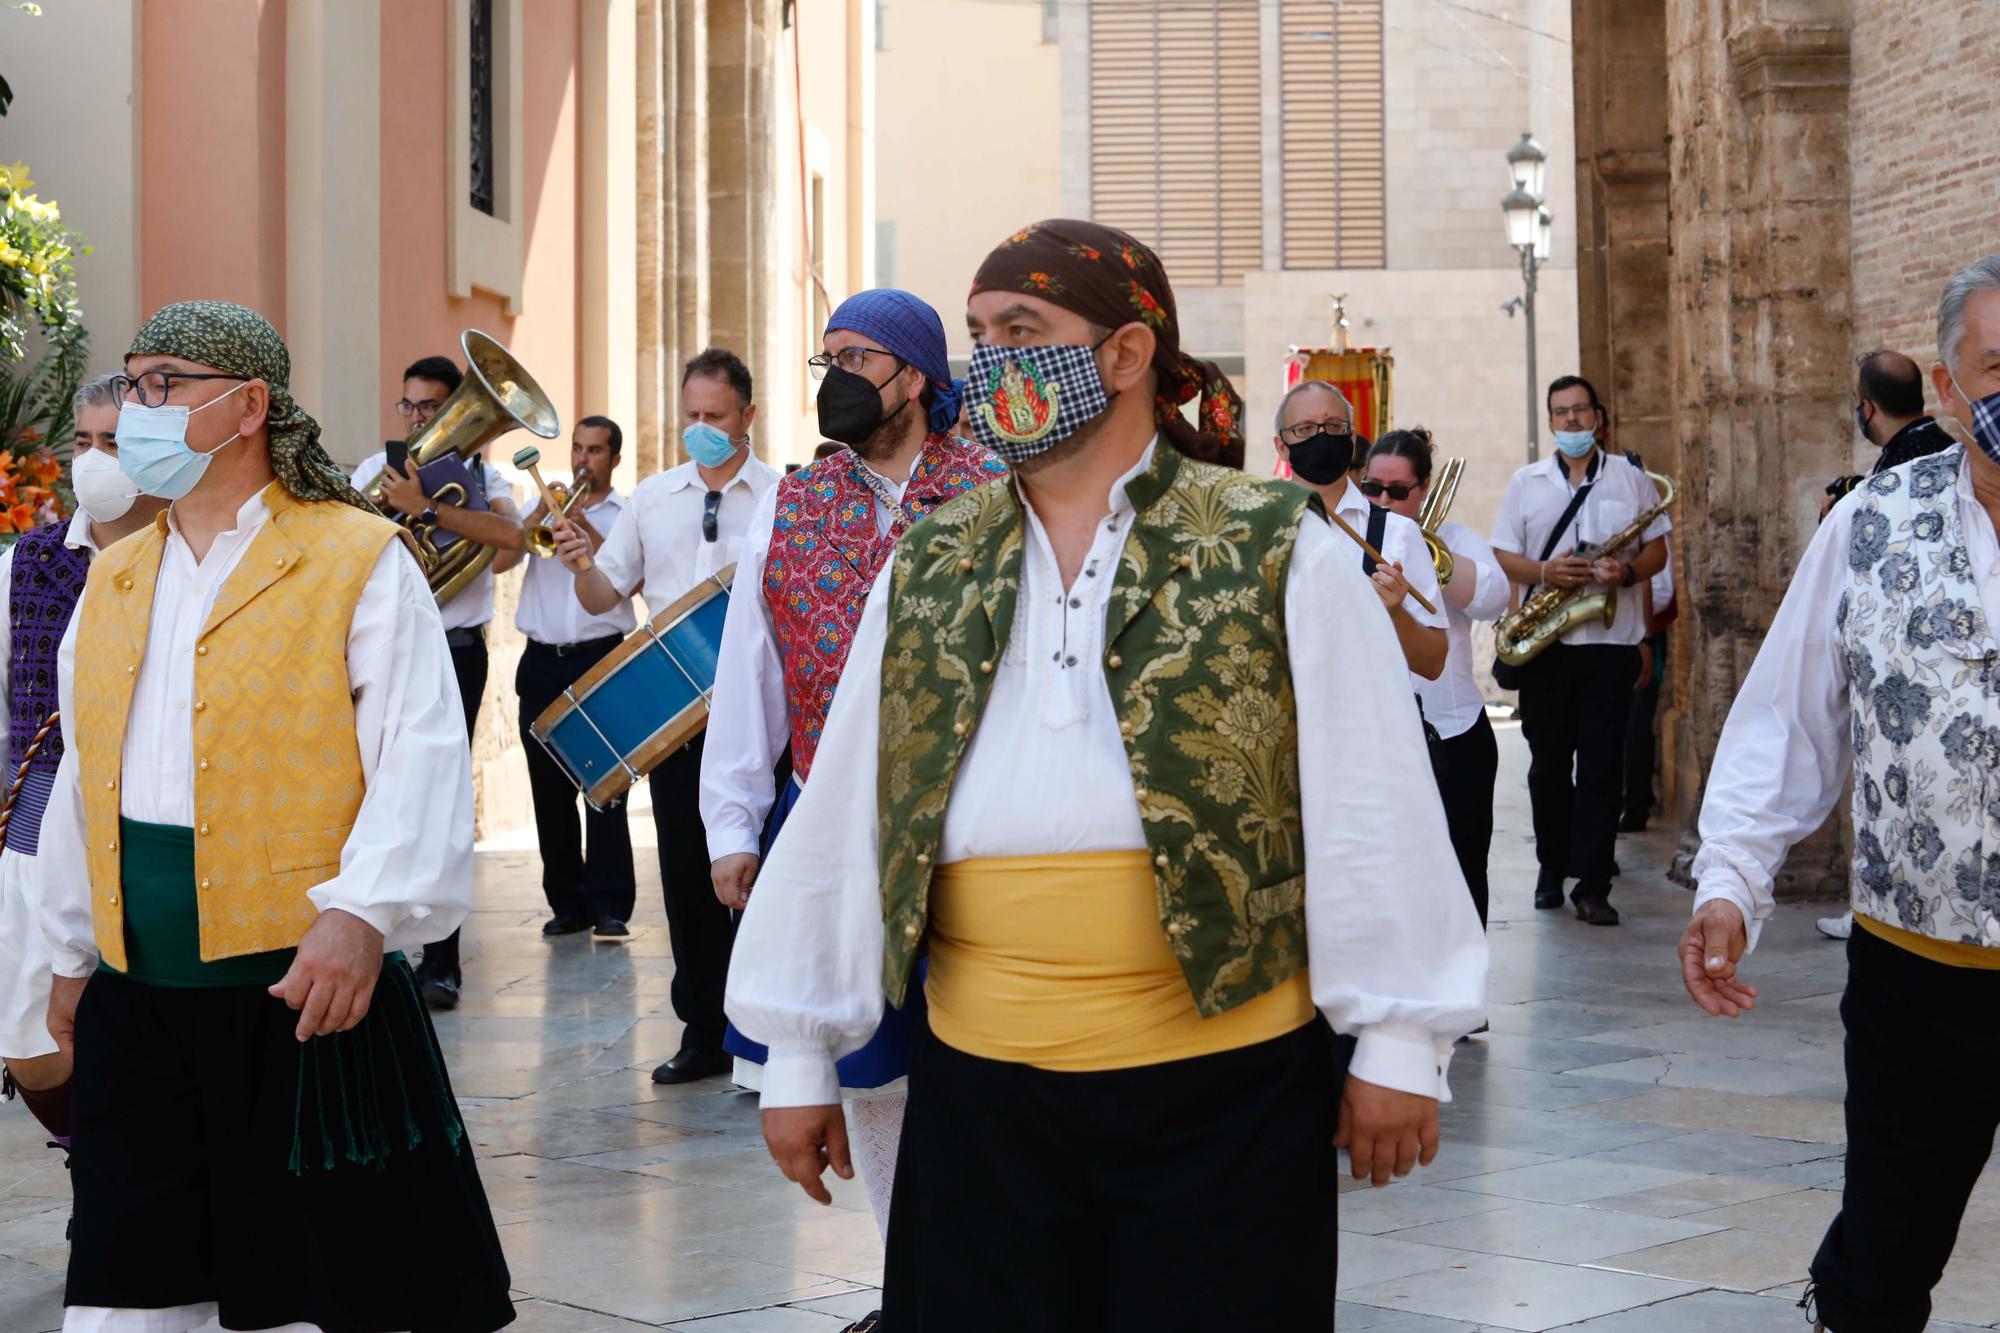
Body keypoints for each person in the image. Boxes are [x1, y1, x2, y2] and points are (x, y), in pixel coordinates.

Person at [727, 219, 1487, 1328]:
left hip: (1224, 1097)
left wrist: (1400, 1038)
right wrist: (795, 1049)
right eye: (978, 337)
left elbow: (1367, 792)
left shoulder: (1275, 544)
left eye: (1021, 331)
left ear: (1126, 355)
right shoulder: (932, 560)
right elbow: (851, 799)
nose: (989, 366)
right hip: (980, 1092)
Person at [37, 301, 512, 1331]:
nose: (140, 406)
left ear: (249, 404)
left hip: (301, 992)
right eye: (132, 381)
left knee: (307, 1292)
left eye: (166, 382)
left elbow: (418, 753)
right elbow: (89, 775)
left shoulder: (355, 558)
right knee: (130, 1287)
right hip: (138, 997)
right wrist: (73, 950)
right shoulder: (114, 576)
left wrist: (362, 913)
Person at [1683, 255, 2000, 1333]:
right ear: (1949, 388)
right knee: (1881, 1253)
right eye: (1997, 368)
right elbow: (1784, 719)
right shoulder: (1867, 523)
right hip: (1923, 972)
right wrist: (1730, 881)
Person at [700, 290, 1006, 1282]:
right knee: (870, 1069)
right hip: (836, 821)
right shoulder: (792, 504)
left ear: (916, 376)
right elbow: (749, 674)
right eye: (825, 355)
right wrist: (733, 825)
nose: (836, 375)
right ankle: (905, 1273)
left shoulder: (1001, 489)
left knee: (984, 1063)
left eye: (859, 355)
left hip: (980, 823)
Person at [554, 347, 780, 1084]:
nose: (702, 428)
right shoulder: (653, 497)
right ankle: (704, 1032)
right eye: (691, 415)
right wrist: (579, 561)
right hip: (677, 724)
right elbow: (603, 598)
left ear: (748, 415)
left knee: (765, 879)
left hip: (764, 717)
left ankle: (771, 1040)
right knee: (687, 877)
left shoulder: (783, 494)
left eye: (715, 416)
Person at [0, 376, 168, 1172]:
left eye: (115, 442)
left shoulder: (183, 559)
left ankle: (128, 1171)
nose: (95, 459)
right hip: (39, 823)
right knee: (30, 1035)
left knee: (132, 1022)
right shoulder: (25, 565)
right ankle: (88, 1153)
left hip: (145, 820)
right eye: (83, 441)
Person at [352, 354, 526, 1010]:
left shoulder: (486, 474)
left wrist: (426, 509)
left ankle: (442, 961)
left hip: (455, 651)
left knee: (443, 794)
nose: (419, 417)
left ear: (457, 409)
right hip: (387, 649)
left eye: (430, 406)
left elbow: (512, 542)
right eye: (410, 406)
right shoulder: (376, 470)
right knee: (375, 788)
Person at [1490, 375, 1670, 926]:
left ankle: (1594, 882)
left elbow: (1658, 550)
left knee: (1600, 767)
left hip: (1610, 643)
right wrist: (1546, 570)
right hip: (1548, 646)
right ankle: (1550, 866)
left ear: (1598, 416)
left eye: (1579, 411)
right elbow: (1503, 554)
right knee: (1548, 766)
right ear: (1550, 423)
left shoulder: (1631, 480)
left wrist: (1626, 570)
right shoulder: (1527, 482)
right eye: (1560, 413)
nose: (1570, 421)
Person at [1364, 429, 1509, 925]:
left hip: (1455, 729)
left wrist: (1429, 561)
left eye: (1397, 491)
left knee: (1464, 871)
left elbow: (1494, 598)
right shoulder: (1356, 537)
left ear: (1423, 488)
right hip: (1386, 735)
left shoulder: (1457, 539)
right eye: (1373, 488)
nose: (1383, 500)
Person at [508, 415, 638, 939]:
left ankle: (609, 904)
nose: (584, 460)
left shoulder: (626, 514)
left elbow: (631, 578)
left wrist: (585, 522)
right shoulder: (542, 505)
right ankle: (566, 903)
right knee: (547, 786)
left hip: (600, 656)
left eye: (596, 451)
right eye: (578, 449)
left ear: (615, 459)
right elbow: (502, 557)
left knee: (605, 783)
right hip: (541, 658)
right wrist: (541, 512)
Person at [1273, 381, 1447, 680]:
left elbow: (1432, 664)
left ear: (1351, 439)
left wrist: (1395, 614)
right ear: (1281, 447)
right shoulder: (1261, 530)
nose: (1322, 436)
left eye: (1333, 425)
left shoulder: (1398, 533)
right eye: (1305, 429)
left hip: (1372, 720)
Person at [1821, 348, 1960, 518]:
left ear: (1867, 409)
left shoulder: (1894, 474)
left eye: (1857, 400)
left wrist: (1837, 522)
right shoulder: (1947, 447)